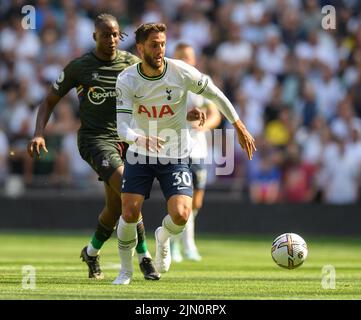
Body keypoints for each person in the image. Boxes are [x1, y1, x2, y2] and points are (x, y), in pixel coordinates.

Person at [114, 23, 256, 285]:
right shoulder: (127, 79)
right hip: (140, 154)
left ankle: (163, 238)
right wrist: (140, 137)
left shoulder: (180, 71)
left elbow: (216, 94)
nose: (160, 50)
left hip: (176, 155)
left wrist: (238, 125)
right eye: (154, 45)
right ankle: (125, 272)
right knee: (130, 212)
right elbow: (122, 127)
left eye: (163, 44)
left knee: (181, 215)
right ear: (140, 47)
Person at [27, 14, 160, 281]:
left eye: (115, 35)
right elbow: (49, 101)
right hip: (95, 140)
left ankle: (91, 252)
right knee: (129, 190)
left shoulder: (131, 63)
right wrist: (39, 133)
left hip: (127, 140)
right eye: (105, 35)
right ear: (94, 37)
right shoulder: (80, 67)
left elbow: (158, 92)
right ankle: (145, 257)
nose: (111, 40)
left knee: (115, 208)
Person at [170, 42, 222, 262]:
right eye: (180, 57)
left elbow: (215, 114)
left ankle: (179, 242)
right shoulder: (168, 83)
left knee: (197, 202)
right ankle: (181, 245)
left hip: (199, 147)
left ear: (194, 60)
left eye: (187, 57)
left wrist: (204, 125)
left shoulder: (203, 82)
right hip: (175, 147)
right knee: (183, 198)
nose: (184, 61)